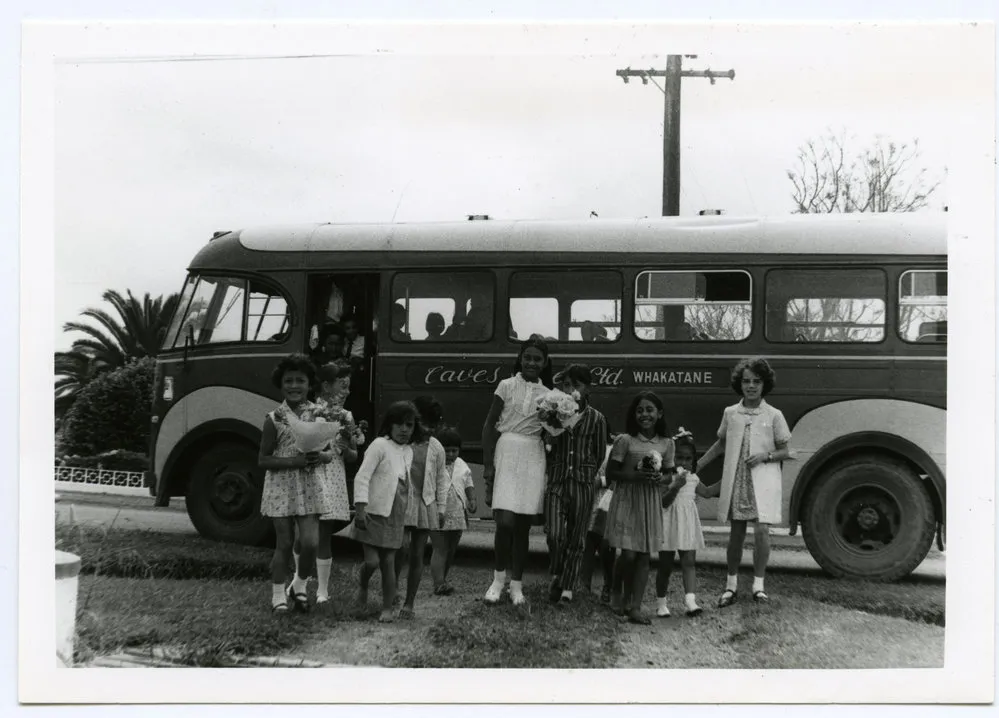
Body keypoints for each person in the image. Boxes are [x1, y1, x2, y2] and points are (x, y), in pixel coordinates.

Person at [697, 357, 792, 606]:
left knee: (762, 531)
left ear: (764, 384)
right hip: (738, 480)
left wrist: (765, 456)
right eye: (746, 381)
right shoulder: (731, 413)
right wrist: (696, 466)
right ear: (740, 384)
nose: (751, 386)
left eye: (756, 382)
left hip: (763, 480)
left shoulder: (774, 415)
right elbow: (721, 444)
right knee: (736, 534)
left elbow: (786, 450)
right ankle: (730, 586)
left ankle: (758, 586)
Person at [258, 354, 337, 613]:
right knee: (283, 542)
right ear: (280, 384)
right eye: (288, 381)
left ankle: (299, 585)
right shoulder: (274, 418)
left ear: (309, 383)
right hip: (281, 487)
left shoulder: (319, 414)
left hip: (309, 486)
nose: (294, 386)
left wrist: (319, 456)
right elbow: (263, 459)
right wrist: (296, 461)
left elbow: (329, 453)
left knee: (311, 543)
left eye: (300, 380)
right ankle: (277, 594)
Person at [481, 334, 553, 606]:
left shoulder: (549, 396)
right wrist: (489, 466)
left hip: (533, 455)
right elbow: (489, 426)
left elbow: (551, 434)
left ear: (545, 363)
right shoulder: (506, 386)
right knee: (505, 521)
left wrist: (555, 427)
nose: (531, 363)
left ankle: (516, 586)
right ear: (520, 359)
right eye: (527, 357)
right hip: (508, 450)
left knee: (522, 526)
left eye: (537, 359)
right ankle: (498, 581)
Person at [289, 360, 358, 607]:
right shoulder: (309, 411)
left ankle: (323, 590)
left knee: (324, 533)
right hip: (311, 472)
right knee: (303, 534)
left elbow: (353, 454)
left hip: (334, 476)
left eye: (348, 387)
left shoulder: (347, 416)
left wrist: (345, 449)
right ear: (326, 386)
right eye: (343, 386)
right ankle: (300, 582)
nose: (347, 391)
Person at [604, 391, 675, 624]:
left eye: (649, 409)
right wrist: (634, 475)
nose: (644, 414)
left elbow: (668, 475)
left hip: (649, 502)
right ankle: (616, 590)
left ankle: (634, 606)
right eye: (640, 410)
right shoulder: (625, 440)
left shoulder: (667, 443)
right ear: (634, 415)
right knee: (628, 554)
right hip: (627, 499)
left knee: (644, 555)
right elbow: (611, 473)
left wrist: (660, 480)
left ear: (659, 413)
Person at [543, 364, 609, 604]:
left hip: (582, 483)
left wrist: (587, 473)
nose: (571, 390)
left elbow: (599, 452)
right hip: (557, 482)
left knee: (577, 537)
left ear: (587, 389)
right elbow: (548, 446)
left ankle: (567, 587)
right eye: (567, 385)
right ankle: (558, 573)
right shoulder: (554, 414)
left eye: (577, 385)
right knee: (555, 534)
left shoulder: (597, 419)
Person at [350, 401, 420, 622]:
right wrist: (360, 508)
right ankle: (362, 585)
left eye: (409, 425)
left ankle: (387, 608)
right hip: (372, 512)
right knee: (372, 562)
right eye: (398, 424)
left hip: (395, 515)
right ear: (389, 425)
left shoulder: (408, 451)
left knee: (389, 561)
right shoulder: (379, 445)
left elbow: (403, 485)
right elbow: (363, 476)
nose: (404, 429)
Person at [655, 429, 720, 618]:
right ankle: (661, 603)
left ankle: (690, 601)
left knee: (689, 562)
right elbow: (664, 502)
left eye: (688, 459)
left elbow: (707, 493)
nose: (683, 463)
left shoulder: (693, 478)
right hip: (668, 523)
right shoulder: (667, 478)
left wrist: (726, 481)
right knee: (665, 565)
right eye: (679, 458)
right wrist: (676, 486)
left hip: (687, 524)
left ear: (693, 461)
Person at [394, 395, 449, 619]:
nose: (428, 429)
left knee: (417, 554)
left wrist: (442, 508)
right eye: (424, 423)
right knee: (399, 547)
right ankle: (393, 587)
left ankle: (409, 603)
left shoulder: (436, 448)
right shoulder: (401, 441)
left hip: (425, 505)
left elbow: (441, 479)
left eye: (433, 424)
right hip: (401, 502)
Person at [430, 426, 477, 595]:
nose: (450, 454)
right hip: (438, 513)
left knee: (451, 550)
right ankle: (438, 583)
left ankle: (443, 578)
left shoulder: (462, 464)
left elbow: (468, 483)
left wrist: (472, 499)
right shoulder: (434, 465)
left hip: (458, 513)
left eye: (454, 450)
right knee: (440, 548)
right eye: (447, 450)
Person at [579, 444, 616, 603]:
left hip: (607, 500)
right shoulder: (583, 447)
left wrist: (600, 481)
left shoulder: (613, 449)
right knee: (587, 543)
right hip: (588, 501)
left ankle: (609, 584)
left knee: (605, 544)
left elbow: (618, 476)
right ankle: (584, 584)